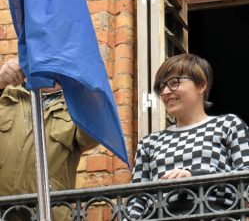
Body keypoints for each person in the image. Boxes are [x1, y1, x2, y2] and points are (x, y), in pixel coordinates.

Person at [126, 53, 249, 219]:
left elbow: (245, 178)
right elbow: (137, 198)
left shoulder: (227, 125)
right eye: (161, 87)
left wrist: (195, 176)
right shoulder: (149, 142)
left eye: (174, 83)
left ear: (201, 85)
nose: (166, 92)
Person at [0, 59, 98, 221]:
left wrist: (84, 89)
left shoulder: (75, 108)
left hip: (49, 215)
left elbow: (93, 135)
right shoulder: (6, 94)